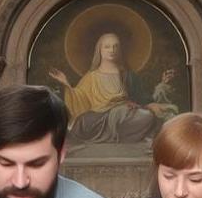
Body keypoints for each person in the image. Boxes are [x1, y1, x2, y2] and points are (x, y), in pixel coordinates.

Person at [48, 32, 176, 144]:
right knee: (83, 122)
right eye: (107, 46)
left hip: (125, 115)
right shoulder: (92, 76)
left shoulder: (127, 75)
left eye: (116, 46)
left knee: (147, 116)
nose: (112, 50)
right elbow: (79, 97)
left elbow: (144, 99)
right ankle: (117, 135)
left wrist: (162, 83)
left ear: (120, 49)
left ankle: (120, 135)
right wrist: (66, 83)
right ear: (100, 50)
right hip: (99, 117)